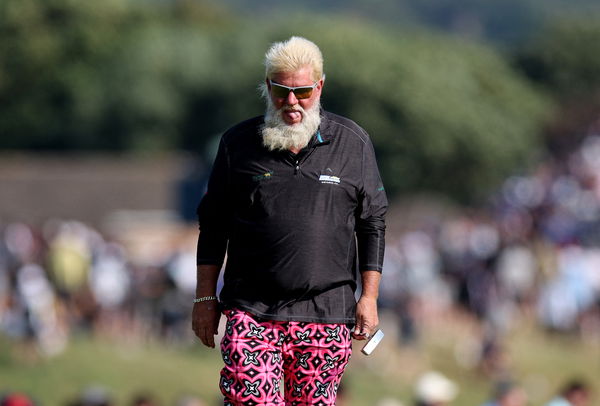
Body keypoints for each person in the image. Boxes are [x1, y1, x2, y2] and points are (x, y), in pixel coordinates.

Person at [192, 36, 387, 405]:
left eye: (302, 92)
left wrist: (370, 297)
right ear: (267, 87)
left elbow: (372, 221)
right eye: (282, 92)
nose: (292, 103)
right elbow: (213, 225)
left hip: (327, 313)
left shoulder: (353, 143)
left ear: (320, 86)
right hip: (252, 311)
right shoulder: (237, 144)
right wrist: (204, 296)